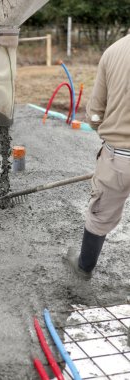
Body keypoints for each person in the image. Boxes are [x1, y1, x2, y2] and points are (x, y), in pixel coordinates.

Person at [66, 33, 130, 281]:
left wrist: (103, 130)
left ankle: (84, 268)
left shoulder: (113, 52)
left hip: (118, 158)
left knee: (99, 215)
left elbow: (94, 115)